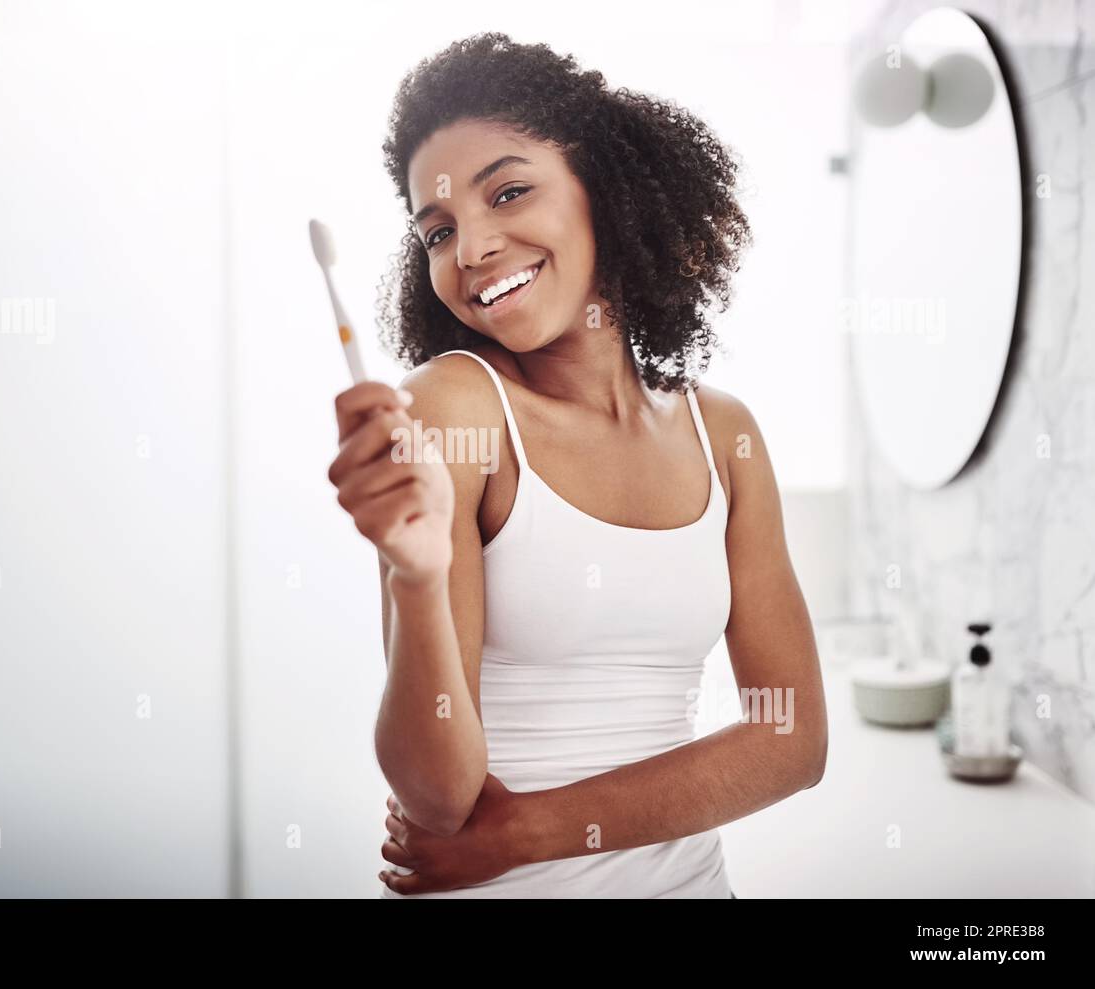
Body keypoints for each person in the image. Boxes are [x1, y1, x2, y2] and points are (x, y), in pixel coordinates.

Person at [326, 32, 827, 897]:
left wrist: (524, 831)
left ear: (607, 187)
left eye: (509, 191)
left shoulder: (725, 434)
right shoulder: (457, 406)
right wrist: (415, 577)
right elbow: (438, 800)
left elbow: (792, 741)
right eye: (437, 230)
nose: (472, 248)